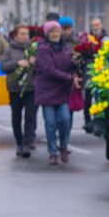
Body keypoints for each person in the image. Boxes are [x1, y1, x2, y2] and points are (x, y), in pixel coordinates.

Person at [33, 20, 77, 165]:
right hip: (47, 89)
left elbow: (69, 63)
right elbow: (49, 69)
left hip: (62, 90)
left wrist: (77, 62)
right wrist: (69, 78)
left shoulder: (66, 47)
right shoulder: (43, 48)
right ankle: (52, 151)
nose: (55, 34)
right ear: (47, 34)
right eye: (51, 32)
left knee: (65, 120)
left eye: (57, 31)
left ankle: (63, 146)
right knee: (51, 123)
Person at [2, 24, 38, 157]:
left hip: (31, 87)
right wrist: (17, 63)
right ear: (15, 35)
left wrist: (35, 62)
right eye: (21, 34)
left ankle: (27, 143)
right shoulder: (9, 49)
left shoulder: (33, 49)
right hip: (15, 88)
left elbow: (42, 66)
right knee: (16, 117)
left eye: (26, 34)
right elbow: (3, 67)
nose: (24, 36)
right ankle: (19, 141)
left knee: (31, 117)